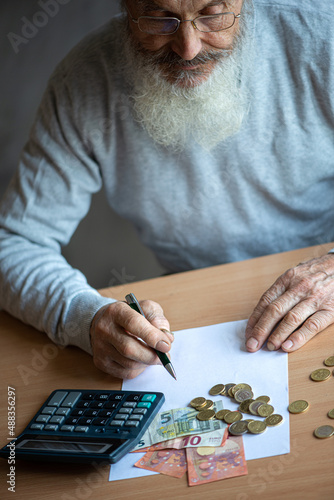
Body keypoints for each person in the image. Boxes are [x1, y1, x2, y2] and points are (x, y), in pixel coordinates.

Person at [0, 0, 333, 380]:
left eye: (213, 13)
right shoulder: (84, 80)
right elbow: (13, 243)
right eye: (160, 18)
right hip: (194, 311)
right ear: (126, 7)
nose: (188, 47)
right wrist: (83, 315)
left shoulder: (324, 38)